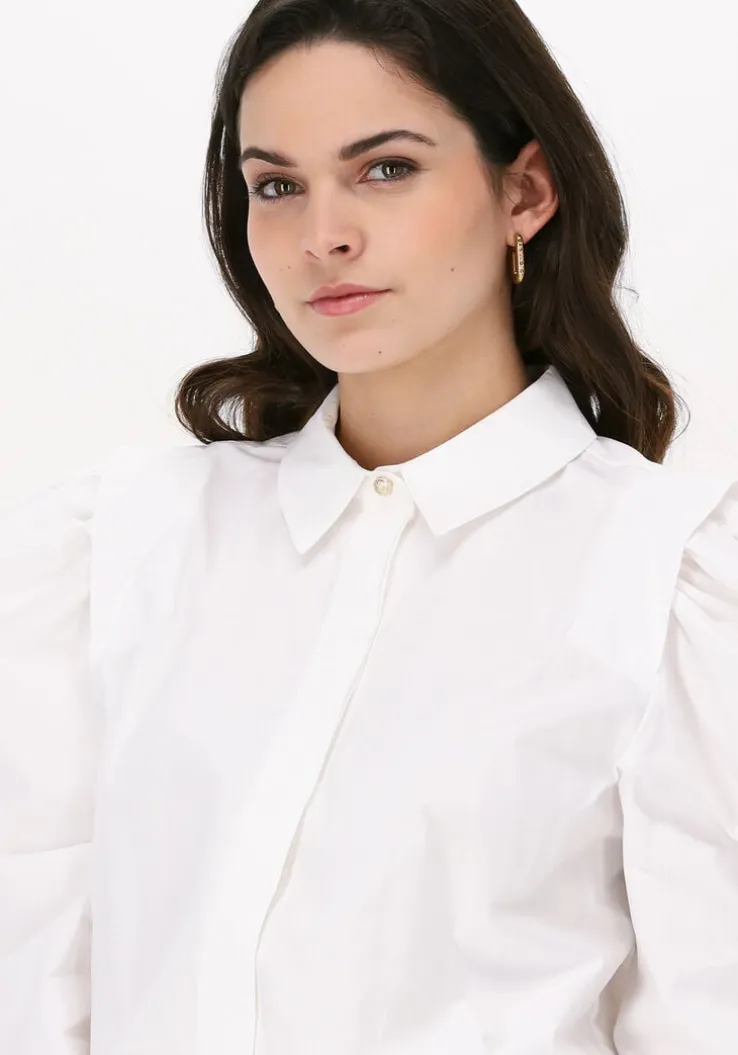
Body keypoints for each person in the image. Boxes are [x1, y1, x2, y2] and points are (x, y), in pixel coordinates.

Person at [1, 0, 737, 1052]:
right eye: (276, 186)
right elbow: (31, 985)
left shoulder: (669, 581)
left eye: (386, 168)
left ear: (525, 192)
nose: (323, 236)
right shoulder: (120, 546)